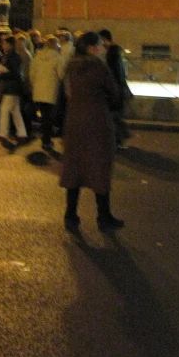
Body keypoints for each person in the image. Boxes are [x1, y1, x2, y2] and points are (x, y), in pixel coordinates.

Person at [59, 31, 123, 232]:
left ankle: (70, 213)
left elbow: (67, 92)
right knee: (100, 167)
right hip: (97, 122)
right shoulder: (99, 66)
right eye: (98, 45)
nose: (101, 49)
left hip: (75, 121)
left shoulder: (71, 66)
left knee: (74, 167)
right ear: (90, 47)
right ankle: (103, 216)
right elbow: (114, 93)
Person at [99, 28, 133, 149]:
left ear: (104, 39)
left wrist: (113, 88)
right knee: (116, 116)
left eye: (101, 41)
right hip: (118, 88)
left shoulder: (112, 53)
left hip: (116, 89)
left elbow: (115, 72)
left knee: (115, 116)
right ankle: (118, 140)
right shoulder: (116, 51)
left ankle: (118, 140)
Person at [30, 34, 65, 150]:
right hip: (51, 90)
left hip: (39, 90)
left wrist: (34, 84)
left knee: (44, 115)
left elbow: (32, 74)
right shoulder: (58, 59)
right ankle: (46, 140)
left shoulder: (37, 56)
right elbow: (62, 75)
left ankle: (45, 138)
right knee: (49, 117)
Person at [0, 35, 28, 149]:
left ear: (10, 45)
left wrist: (2, 74)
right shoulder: (10, 55)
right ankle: (22, 134)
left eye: (4, 43)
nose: (2, 45)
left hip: (12, 87)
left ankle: (3, 134)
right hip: (13, 87)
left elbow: (15, 73)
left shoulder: (13, 56)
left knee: (4, 110)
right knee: (15, 112)